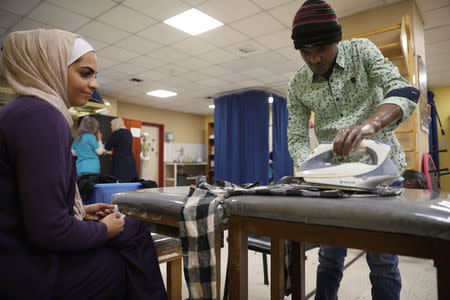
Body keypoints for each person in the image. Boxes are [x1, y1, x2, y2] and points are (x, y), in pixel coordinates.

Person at [0, 29, 167, 299]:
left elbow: (26, 206)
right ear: (50, 66)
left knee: (130, 230)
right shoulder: (44, 117)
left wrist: (80, 211)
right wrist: (103, 229)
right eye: (85, 73)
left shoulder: (19, 112)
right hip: (27, 269)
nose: (95, 85)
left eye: (95, 75)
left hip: (15, 254)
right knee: (131, 237)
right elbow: (49, 231)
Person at [287, 1, 419, 299]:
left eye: (321, 47)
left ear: (337, 39)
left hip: (381, 177)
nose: (315, 58)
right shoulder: (297, 85)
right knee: (329, 258)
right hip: (331, 183)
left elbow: (403, 89)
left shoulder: (362, 52)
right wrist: (311, 169)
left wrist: (370, 126)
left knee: (383, 261)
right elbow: (295, 138)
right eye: (305, 52)